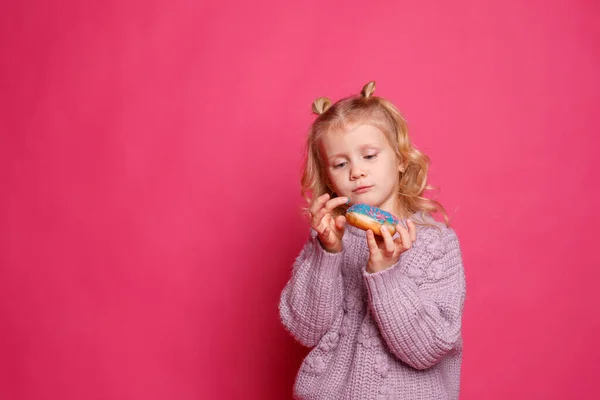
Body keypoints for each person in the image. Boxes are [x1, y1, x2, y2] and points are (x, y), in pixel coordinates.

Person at [278, 81, 466, 399]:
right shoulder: (328, 238)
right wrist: (327, 252)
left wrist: (385, 274)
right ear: (329, 179)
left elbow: (426, 350)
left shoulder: (436, 244)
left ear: (401, 159)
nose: (357, 172)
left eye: (368, 156)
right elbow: (304, 328)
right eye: (341, 163)